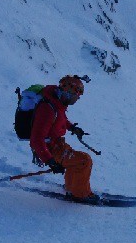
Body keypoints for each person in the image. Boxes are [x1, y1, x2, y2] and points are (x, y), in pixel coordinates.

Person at [30, 75, 99, 204]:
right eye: (76, 96)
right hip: (50, 150)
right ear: (68, 92)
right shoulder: (47, 109)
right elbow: (36, 139)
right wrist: (50, 161)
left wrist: (72, 128)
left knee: (77, 160)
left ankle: (72, 187)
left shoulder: (57, 104)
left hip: (57, 145)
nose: (77, 99)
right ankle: (80, 195)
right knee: (84, 161)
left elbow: (60, 119)